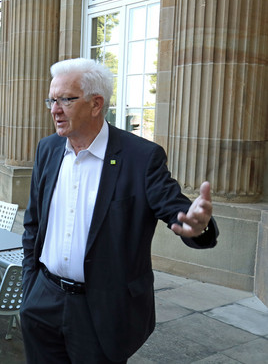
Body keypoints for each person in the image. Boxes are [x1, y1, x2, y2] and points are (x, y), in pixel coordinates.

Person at [20, 58, 219, 363]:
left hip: (101, 310)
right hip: (43, 299)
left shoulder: (140, 157)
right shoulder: (48, 150)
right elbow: (33, 225)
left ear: (96, 104)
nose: (54, 109)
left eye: (65, 100)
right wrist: (29, 288)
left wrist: (197, 226)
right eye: (52, 99)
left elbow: (175, 207)